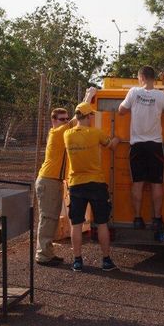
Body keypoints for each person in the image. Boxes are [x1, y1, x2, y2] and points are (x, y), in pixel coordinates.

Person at [34, 87, 97, 266]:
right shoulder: (57, 132)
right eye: (61, 119)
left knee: (52, 218)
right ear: (53, 120)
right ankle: (43, 255)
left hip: (54, 181)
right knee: (48, 218)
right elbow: (77, 118)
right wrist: (88, 97)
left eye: (65, 118)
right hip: (48, 180)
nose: (65, 121)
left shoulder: (64, 133)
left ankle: (47, 252)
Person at [118, 65, 164, 231]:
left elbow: (121, 111)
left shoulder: (133, 92)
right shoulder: (161, 96)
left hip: (137, 145)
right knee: (156, 183)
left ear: (141, 78)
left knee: (137, 183)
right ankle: (157, 219)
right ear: (154, 79)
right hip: (155, 145)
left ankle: (138, 218)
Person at [64, 98, 120, 272]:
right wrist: (118, 138)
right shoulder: (96, 133)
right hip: (96, 183)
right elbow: (110, 145)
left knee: (77, 224)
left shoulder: (67, 134)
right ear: (88, 116)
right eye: (91, 116)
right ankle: (106, 260)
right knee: (102, 223)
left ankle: (77, 260)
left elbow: (74, 123)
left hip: (76, 184)